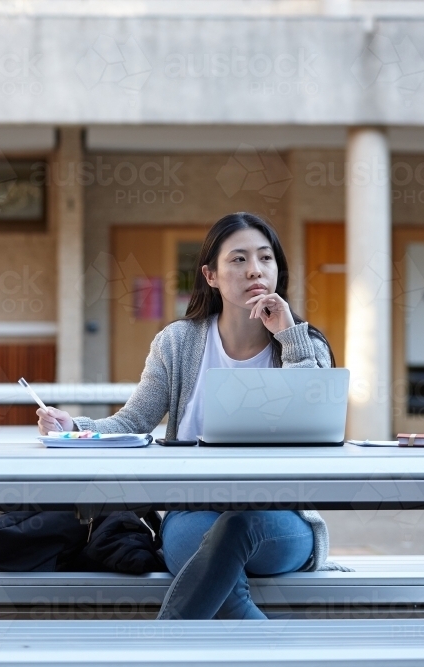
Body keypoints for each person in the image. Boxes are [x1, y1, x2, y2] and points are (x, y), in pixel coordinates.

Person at [36, 212, 338, 620]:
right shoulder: (178, 342)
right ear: (210, 275)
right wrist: (75, 428)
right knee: (217, 562)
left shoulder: (305, 343)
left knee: (236, 528)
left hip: (278, 520)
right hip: (193, 515)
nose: (255, 270)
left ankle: (159, 654)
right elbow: (132, 423)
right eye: (238, 259)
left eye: (266, 259)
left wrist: (288, 336)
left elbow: (317, 420)